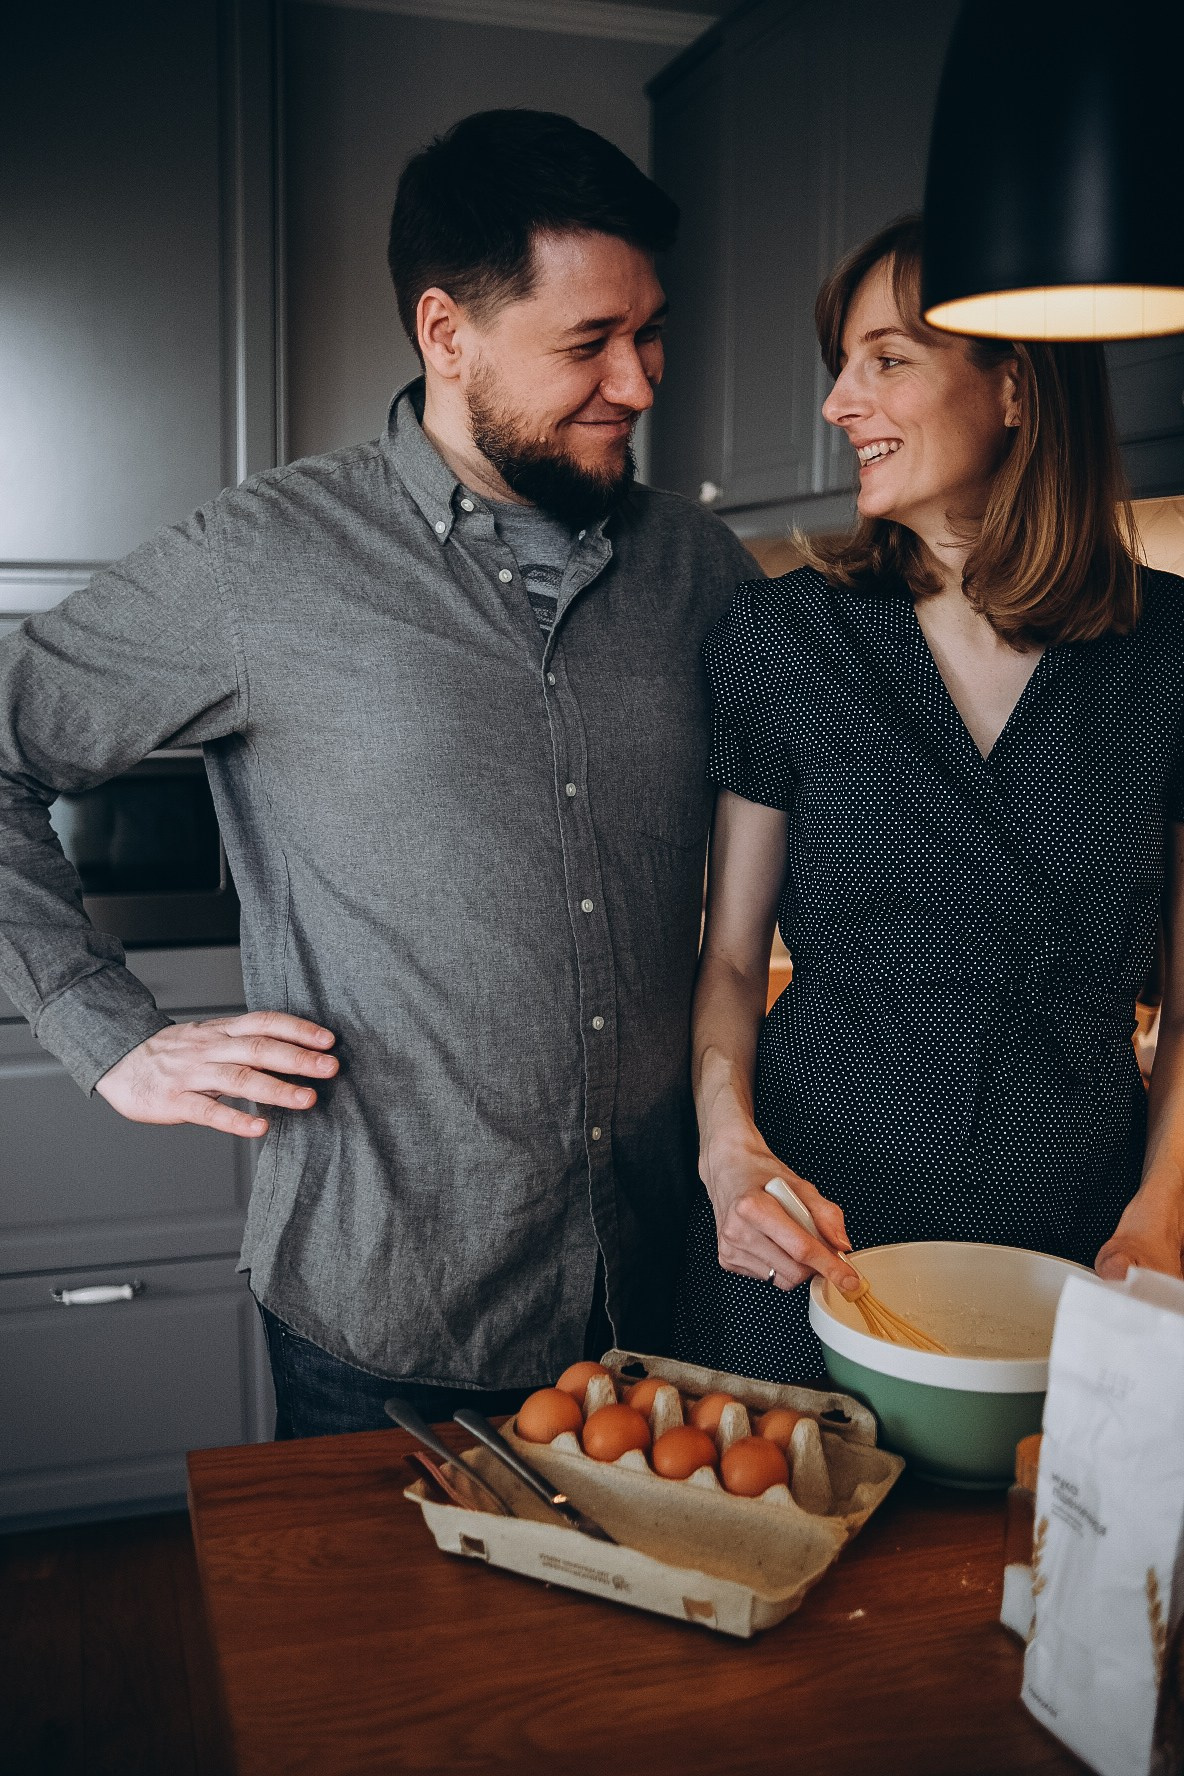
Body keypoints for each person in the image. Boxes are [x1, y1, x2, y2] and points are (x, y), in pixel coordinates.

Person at [0, 110, 759, 1433]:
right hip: (389, 1322)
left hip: (657, 1301)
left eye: (651, 335)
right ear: (446, 333)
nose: (639, 386)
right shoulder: (260, 560)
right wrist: (97, 1027)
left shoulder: (702, 570)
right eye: (588, 344)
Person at [674, 213, 1184, 1384]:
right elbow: (730, 963)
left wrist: (1160, 1211)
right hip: (812, 1228)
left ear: (1014, 387)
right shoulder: (784, 639)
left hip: (1079, 1242)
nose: (838, 404)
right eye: (838, 365)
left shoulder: (1166, 655)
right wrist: (726, 1148)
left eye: (886, 360)